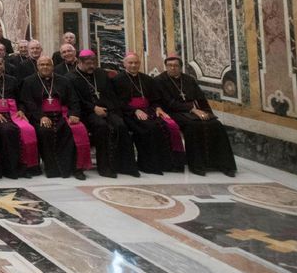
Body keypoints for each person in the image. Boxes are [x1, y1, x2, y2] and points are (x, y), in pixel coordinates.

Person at [156, 55, 236, 176]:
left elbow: (200, 98)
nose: (173, 68)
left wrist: (208, 113)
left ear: (181, 67)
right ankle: (197, 165)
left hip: (193, 111)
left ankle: (224, 164)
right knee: (193, 126)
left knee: (216, 125)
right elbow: (169, 103)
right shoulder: (159, 81)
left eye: (176, 66)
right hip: (174, 112)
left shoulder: (189, 79)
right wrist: (193, 110)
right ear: (166, 67)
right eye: (170, 66)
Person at [20, 56, 90, 179]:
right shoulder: (28, 81)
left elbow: (73, 100)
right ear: (37, 67)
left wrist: (74, 114)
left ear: (52, 66)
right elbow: (28, 102)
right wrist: (40, 117)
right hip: (40, 116)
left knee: (75, 131)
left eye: (48, 64)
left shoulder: (64, 81)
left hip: (62, 115)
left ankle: (75, 168)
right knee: (44, 131)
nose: (45, 67)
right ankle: (52, 168)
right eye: (42, 65)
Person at [74, 50, 137, 178]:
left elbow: (111, 95)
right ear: (79, 62)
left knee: (120, 125)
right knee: (102, 127)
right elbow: (75, 100)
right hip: (87, 113)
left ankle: (126, 166)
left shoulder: (101, 74)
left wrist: (113, 111)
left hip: (107, 110)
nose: (91, 66)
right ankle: (104, 168)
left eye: (93, 63)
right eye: (88, 63)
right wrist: (93, 108)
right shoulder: (72, 77)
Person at [113, 52, 179, 174]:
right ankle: (147, 165)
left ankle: (164, 163)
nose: (133, 65)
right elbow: (116, 102)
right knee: (149, 127)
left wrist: (158, 108)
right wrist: (134, 110)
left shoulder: (147, 79)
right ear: (124, 64)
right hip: (128, 113)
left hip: (148, 110)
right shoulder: (117, 80)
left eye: (136, 63)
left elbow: (155, 99)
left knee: (163, 125)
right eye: (130, 63)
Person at [0, 51, 38, 178]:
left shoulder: (12, 80)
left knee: (28, 129)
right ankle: (10, 170)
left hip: (13, 113)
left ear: (3, 65)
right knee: (7, 130)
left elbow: (21, 99)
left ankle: (25, 167)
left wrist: (21, 110)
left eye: (0, 64)